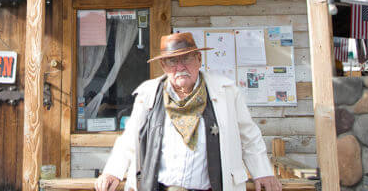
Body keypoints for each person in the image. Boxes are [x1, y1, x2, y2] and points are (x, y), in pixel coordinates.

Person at [94, 32, 281, 191]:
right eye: (172, 61)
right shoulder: (148, 93)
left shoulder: (226, 91)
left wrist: (262, 172)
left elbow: (249, 135)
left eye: (186, 58)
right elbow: (130, 138)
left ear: (199, 59)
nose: (180, 67)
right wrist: (113, 171)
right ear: (163, 66)